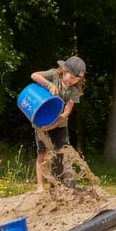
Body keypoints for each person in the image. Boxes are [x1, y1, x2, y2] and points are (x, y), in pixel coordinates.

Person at [30, 56, 86, 192]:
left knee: (62, 153)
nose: (71, 82)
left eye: (76, 81)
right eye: (71, 78)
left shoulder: (73, 91)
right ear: (64, 70)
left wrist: (53, 125)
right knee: (43, 152)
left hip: (60, 124)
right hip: (41, 121)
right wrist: (49, 85)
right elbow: (34, 75)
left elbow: (66, 113)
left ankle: (62, 185)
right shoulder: (53, 75)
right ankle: (40, 186)